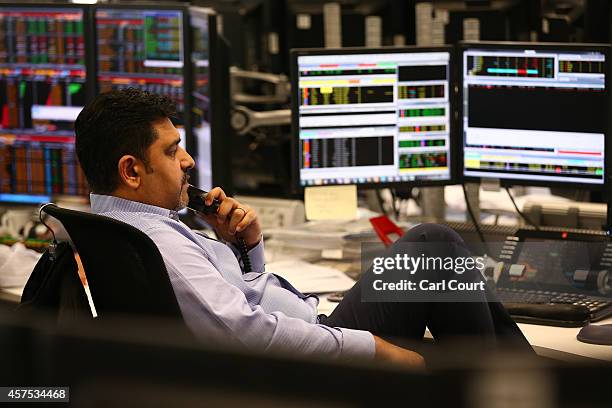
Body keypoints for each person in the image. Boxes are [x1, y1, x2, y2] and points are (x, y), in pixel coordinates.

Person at [74, 89, 531, 369]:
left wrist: (244, 247)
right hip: (301, 366)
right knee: (435, 248)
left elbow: (231, 299)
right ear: (131, 171)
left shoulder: (129, 226)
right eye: (173, 152)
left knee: (435, 249)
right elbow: (245, 334)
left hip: (306, 333)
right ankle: (501, 388)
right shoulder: (156, 242)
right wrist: (373, 349)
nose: (189, 161)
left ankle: (519, 383)